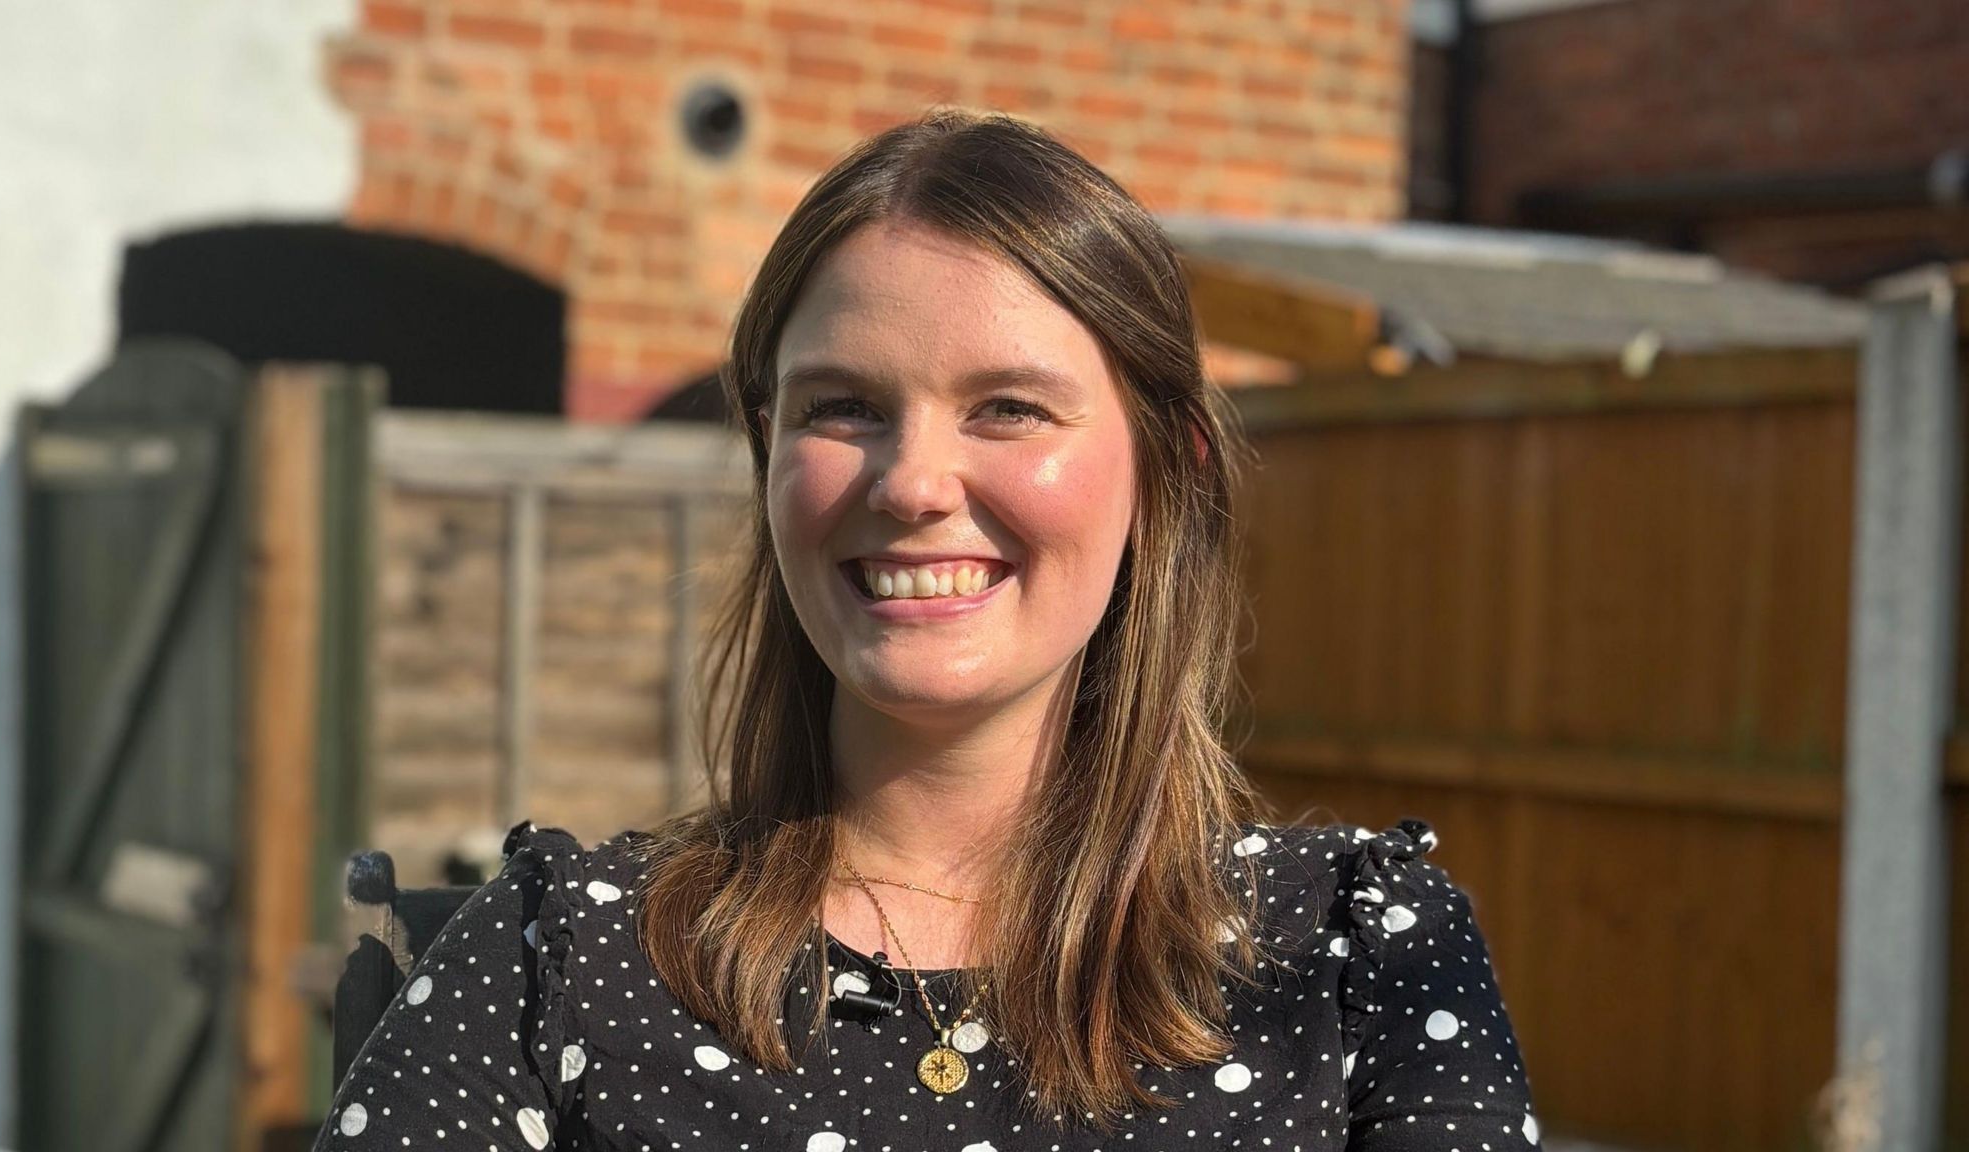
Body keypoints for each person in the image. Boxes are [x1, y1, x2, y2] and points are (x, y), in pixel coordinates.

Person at [313, 108, 1538, 1152]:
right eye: (842, 407)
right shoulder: (555, 960)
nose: (910, 483)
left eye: (1006, 408)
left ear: (1165, 472)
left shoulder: (1357, 963)